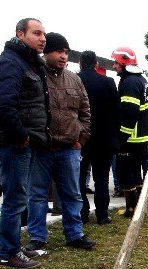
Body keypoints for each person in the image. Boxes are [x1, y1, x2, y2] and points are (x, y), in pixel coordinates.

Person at [26, 32, 95, 252]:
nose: (63, 56)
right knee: (37, 196)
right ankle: (37, 237)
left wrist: (81, 137)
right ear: (46, 53)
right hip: (41, 148)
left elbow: (85, 110)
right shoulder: (35, 76)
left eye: (66, 52)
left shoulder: (75, 79)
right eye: (58, 51)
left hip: (69, 148)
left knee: (72, 194)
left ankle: (74, 234)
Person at [0, 17, 48, 269]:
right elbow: (2, 105)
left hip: (26, 141)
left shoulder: (30, 63)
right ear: (20, 35)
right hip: (13, 143)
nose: (42, 38)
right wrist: (20, 136)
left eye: (43, 33)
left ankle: (13, 244)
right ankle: (8, 252)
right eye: (36, 33)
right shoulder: (9, 63)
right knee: (14, 199)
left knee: (19, 197)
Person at [77, 50, 119, 225]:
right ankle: (102, 215)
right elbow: (117, 110)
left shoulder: (75, 80)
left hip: (80, 139)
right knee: (101, 178)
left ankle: (83, 213)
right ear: (96, 64)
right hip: (104, 139)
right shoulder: (108, 82)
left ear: (80, 63)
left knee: (79, 178)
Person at [111, 46, 148, 217]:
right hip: (142, 137)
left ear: (124, 62)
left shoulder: (129, 83)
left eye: (115, 62)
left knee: (125, 174)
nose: (114, 66)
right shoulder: (141, 80)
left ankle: (131, 209)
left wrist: (121, 137)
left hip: (131, 139)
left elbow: (129, 113)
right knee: (136, 174)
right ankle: (138, 208)